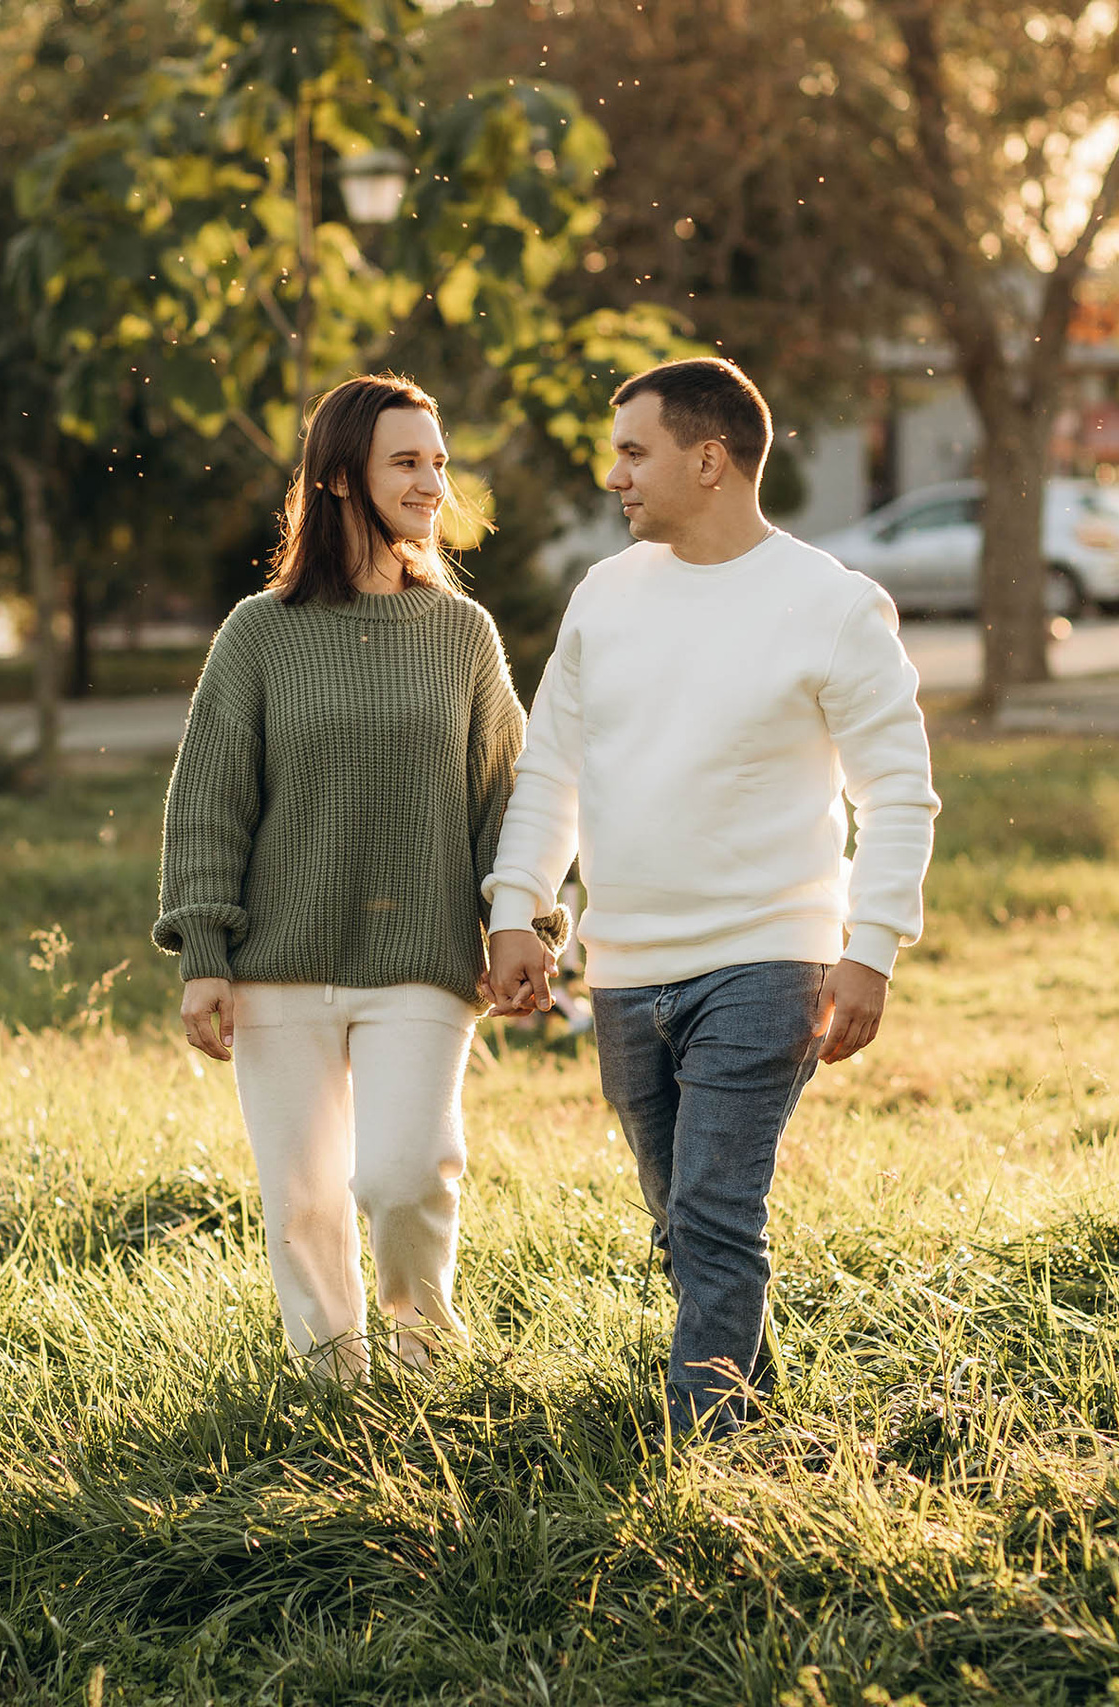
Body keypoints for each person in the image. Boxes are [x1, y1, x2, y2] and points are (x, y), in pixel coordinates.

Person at [484, 357, 939, 1438]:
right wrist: (518, 908)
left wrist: (868, 948)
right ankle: (756, 1407)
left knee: (712, 1208)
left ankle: (709, 1453)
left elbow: (900, 793)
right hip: (627, 965)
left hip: (769, 957)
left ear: (709, 459)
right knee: (681, 1222)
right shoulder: (607, 596)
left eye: (633, 453)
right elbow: (552, 766)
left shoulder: (832, 605)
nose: (614, 478)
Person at [153, 373, 562, 1382]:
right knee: (300, 1200)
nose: (433, 481)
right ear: (340, 479)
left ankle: (426, 1371)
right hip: (277, 964)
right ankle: (332, 1391)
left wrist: (526, 927)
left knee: (402, 1173)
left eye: (437, 460)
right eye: (407, 462)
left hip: (422, 959)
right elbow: (210, 800)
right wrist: (204, 952)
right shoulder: (259, 632)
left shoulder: (459, 633)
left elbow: (507, 799)